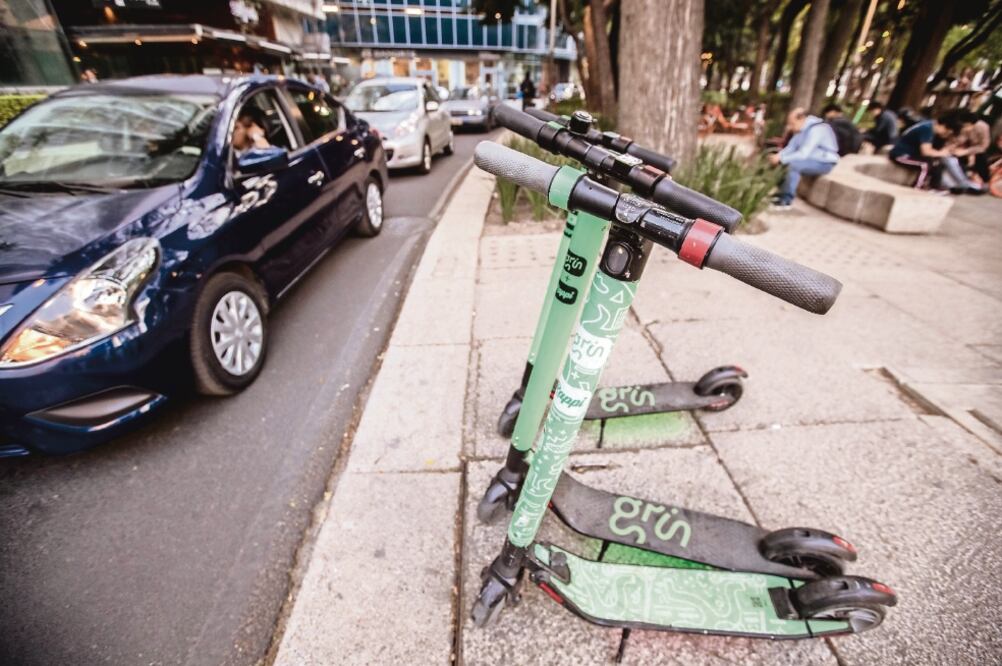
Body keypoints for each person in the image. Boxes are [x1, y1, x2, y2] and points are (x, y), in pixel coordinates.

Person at [889, 113, 985, 194]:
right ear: (943, 126)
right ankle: (916, 188)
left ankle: (934, 186)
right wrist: (941, 153)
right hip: (901, 155)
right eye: (946, 132)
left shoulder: (930, 127)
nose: (944, 135)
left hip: (912, 155)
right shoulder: (927, 129)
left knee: (934, 163)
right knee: (925, 165)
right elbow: (926, 151)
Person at [768, 107, 840, 208]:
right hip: (810, 159)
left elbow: (803, 153)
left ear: (801, 119)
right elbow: (791, 147)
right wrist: (779, 156)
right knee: (784, 163)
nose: (790, 127)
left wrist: (782, 158)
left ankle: (786, 200)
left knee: (793, 166)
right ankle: (781, 193)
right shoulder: (801, 130)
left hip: (824, 162)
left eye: (792, 124)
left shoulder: (817, 129)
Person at [949, 110, 992, 184]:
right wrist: (954, 145)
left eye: (966, 125)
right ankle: (961, 178)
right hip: (966, 147)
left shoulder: (983, 126)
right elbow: (961, 138)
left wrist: (967, 151)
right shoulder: (963, 127)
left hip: (978, 149)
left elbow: (984, 145)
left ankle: (984, 180)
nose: (964, 128)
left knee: (981, 159)